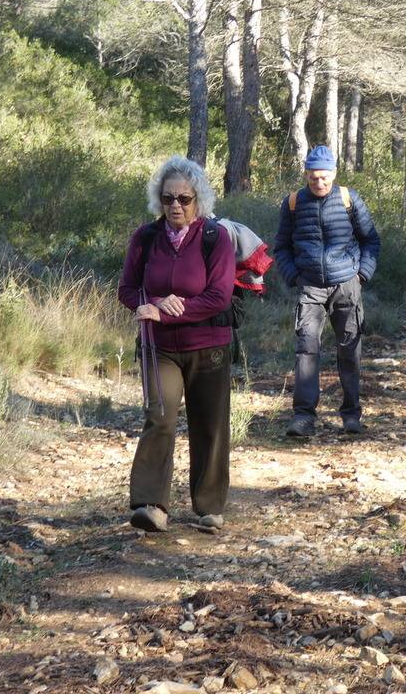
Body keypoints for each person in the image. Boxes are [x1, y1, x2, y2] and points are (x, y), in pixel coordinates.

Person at [117, 156, 235, 533]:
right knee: (159, 417)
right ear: (159, 200)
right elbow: (127, 289)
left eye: (184, 199)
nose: (175, 206)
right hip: (159, 346)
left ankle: (209, 508)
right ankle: (151, 505)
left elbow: (219, 296)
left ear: (198, 199)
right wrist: (147, 305)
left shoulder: (216, 239)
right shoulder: (145, 237)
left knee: (210, 425)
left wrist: (169, 309)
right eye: (168, 199)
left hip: (209, 345)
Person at [274, 145, 381, 437]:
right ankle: (303, 417)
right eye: (313, 177)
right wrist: (293, 275)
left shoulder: (349, 199)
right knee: (306, 350)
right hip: (309, 287)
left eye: (324, 177)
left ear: (333, 173)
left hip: (347, 285)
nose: (319, 183)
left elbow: (371, 240)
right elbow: (281, 246)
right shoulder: (293, 202)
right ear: (306, 174)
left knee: (350, 350)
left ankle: (351, 415)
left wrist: (362, 275)